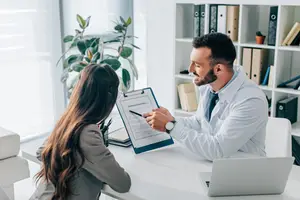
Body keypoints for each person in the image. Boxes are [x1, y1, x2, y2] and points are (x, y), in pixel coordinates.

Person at [144, 33, 268, 161]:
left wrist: (170, 126)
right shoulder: (210, 86)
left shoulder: (250, 101)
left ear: (218, 69)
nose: (190, 69)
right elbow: (199, 122)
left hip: (244, 172)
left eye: (197, 65)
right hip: (213, 165)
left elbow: (217, 150)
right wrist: (168, 120)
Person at [30, 64, 131, 200]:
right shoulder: (87, 133)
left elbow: (41, 152)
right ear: (108, 100)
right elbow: (123, 183)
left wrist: (72, 161)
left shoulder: (68, 121)